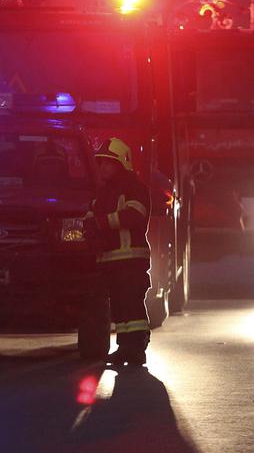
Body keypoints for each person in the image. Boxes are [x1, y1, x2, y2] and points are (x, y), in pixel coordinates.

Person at [86, 137, 152, 366]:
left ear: (122, 163)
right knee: (119, 309)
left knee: (131, 305)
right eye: (101, 162)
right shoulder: (102, 193)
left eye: (108, 163)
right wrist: (89, 227)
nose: (103, 167)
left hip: (131, 259)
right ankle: (124, 347)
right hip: (109, 261)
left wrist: (101, 223)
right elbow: (91, 217)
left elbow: (134, 215)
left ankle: (137, 347)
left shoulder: (136, 189)